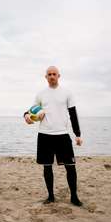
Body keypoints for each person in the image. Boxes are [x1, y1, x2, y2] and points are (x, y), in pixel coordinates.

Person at [24, 66, 83, 206]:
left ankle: (74, 197)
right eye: (49, 74)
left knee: (70, 166)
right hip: (45, 135)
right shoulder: (41, 94)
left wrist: (78, 135)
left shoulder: (67, 93)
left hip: (62, 135)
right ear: (46, 77)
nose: (52, 76)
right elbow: (31, 110)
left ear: (59, 76)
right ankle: (50, 196)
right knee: (47, 167)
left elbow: (73, 114)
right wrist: (26, 115)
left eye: (54, 74)